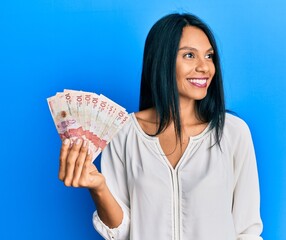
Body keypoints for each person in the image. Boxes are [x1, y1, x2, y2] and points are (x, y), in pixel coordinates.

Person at [59, 13, 263, 240]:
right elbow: (122, 232)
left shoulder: (233, 133)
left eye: (209, 56)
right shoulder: (124, 133)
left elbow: (247, 231)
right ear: (162, 60)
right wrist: (98, 187)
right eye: (189, 55)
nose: (205, 67)